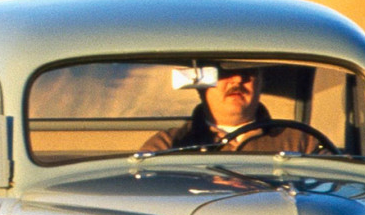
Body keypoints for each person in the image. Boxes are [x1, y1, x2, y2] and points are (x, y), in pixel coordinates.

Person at [140, 66, 326, 154]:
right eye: (224, 72)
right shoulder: (169, 145)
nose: (237, 80)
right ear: (201, 84)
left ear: (261, 82)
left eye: (249, 73)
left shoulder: (302, 142)